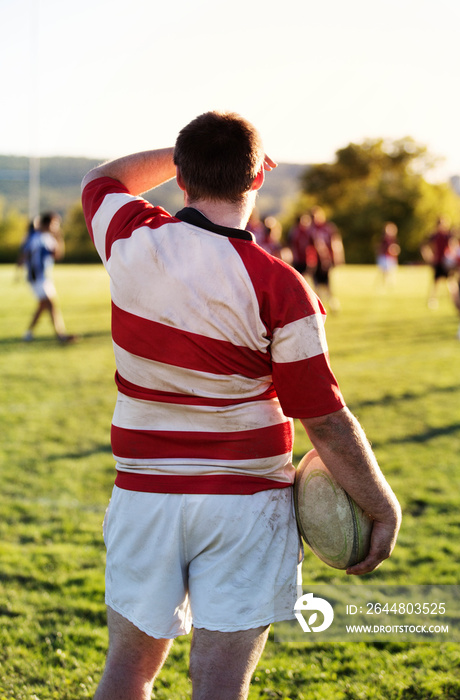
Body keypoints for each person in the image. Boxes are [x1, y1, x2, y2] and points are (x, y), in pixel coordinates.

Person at [81, 111, 401, 700]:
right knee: (219, 687)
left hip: (144, 496)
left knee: (127, 673)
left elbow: (103, 178)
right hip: (244, 506)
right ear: (258, 180)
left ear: (180, 178)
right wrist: (382, 506)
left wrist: (188, 154)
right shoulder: (282, 285)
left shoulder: (130, 236)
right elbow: (325, 422)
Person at [17, 212, 75, 343]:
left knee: (43, 306)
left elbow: (57, 255)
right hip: (37, 277)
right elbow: (25, 254)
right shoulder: (35, 238)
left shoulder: (49, 238)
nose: (56, 227)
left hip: (46, 278)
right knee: (50, 304)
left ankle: (28, 333)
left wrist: (59, 238)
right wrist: (19, 269)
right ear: (46, 223)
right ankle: (60, 335)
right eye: (54, 224)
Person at [308, 206, 345, 311]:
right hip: (316, 260)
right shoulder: (311, 229)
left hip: (326, 259)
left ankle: (332, 304)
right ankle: (320, 307)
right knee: (317, 284)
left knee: (328, 284)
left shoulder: (328, 228)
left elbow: (335, 242)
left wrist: (337, 256)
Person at [421, 216, 455, 308]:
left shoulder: (448, 235)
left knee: (450, 283)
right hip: (438, 262)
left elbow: (452, 247)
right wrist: (429, 257)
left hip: (446, 262)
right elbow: (425, 247)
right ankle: (432, 300)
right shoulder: (434, 235)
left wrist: (451, 259)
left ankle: (455, 300)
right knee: (435, 282)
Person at [376, 222, 400, 286]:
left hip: (391, 257)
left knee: (391, 271)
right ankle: (383, 283)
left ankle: (390, 283)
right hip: (385, 257)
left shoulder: (394, 239)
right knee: (384, 271)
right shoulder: (384, 239)